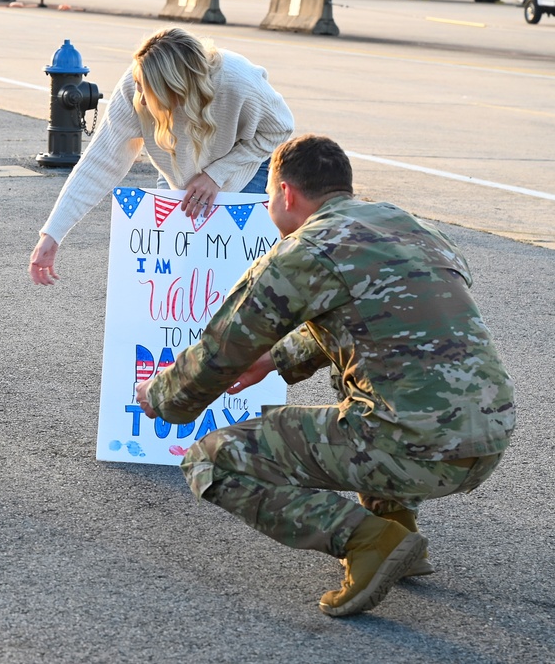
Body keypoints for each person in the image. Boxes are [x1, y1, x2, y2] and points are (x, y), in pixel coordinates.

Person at [135, 134, 516, 617]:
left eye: (271, 195)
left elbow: (221, 350)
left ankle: (369, 540)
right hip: (487, 439)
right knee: (374, 386)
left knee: (211, 462)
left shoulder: (305, 250)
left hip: (415, 447)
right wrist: (274, 359)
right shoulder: (409, 225)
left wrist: (162, 396)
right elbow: (384, 315)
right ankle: (400, 530)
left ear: (286, 193)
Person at [30, 27, 294, 285]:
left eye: (149, 91)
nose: (141, 100)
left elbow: (281, 128)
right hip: (178, 164)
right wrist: (52, 234)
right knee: (178, 268)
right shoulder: (137, 84)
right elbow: (102, 161)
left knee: (237, 271)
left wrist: (216, 174)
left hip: (244, 165)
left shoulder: (238, 81)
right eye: (138, 86)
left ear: (179, 89)